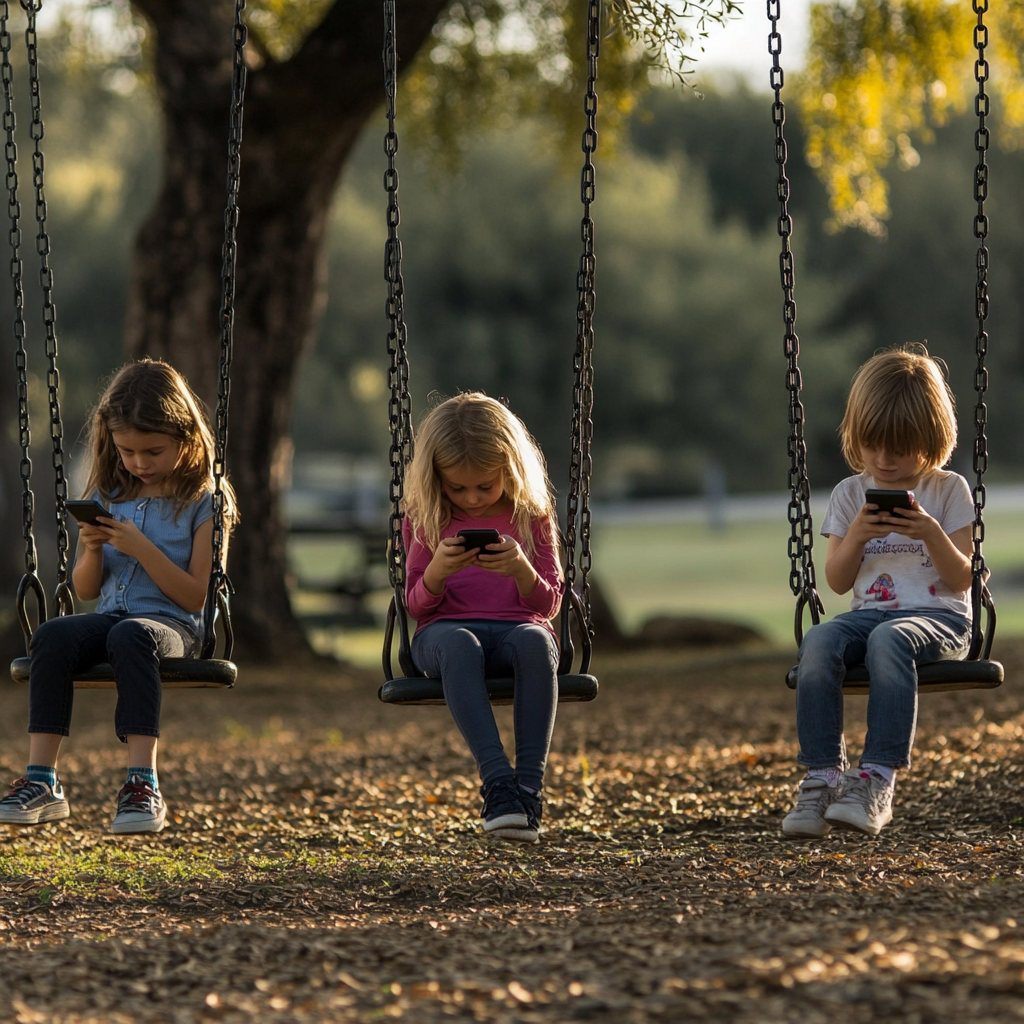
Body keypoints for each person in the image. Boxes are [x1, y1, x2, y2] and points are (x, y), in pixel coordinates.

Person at [0, 359, 236, 835]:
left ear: (186, 438)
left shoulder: (206, 501)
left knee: (132, 635)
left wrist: (142, 549)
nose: (139, 463)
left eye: (153, 451)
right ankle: (43, 779)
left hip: (171, 628)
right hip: (112, 618)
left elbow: (194, 596)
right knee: (51, 636)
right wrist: (90, 550)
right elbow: (86, 589)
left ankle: (141, 782)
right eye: (127, 451)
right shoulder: (111, 494)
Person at [783, 343, 976, 838]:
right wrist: (857, 536)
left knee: (890, 640)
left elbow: (961, 579)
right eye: (873, 445)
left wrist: (931, 531)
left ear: (931, 437)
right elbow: (838, 580)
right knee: (820, 642)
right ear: (857, 437)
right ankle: (823, 776)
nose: (884, 459)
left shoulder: (948, 490)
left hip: (939, 617)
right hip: (870, 615)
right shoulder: (850, 495)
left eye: (900, 447)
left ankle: (876, 779)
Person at [403, 393, 564, 843]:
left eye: (484, 487)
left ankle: (528, 789)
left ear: (509, 471)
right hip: (443, 637)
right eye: (458, 488)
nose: (471, 499)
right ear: (437, 479)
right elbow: (416, 606)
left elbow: (548, 603)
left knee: (536, 641)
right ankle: (497, 783)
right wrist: (436, 572)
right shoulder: (426, 515)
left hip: (518, 630)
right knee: (460, 643)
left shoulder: (531, 515)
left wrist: (520, 569)